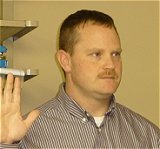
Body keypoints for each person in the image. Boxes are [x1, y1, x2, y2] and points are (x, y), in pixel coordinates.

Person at [0, 9, 159, 149]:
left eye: (115, 54)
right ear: (65, 61)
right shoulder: (27, 135)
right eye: (96, 54)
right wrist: (6, 144)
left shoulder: (148, 135)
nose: (110, 64)